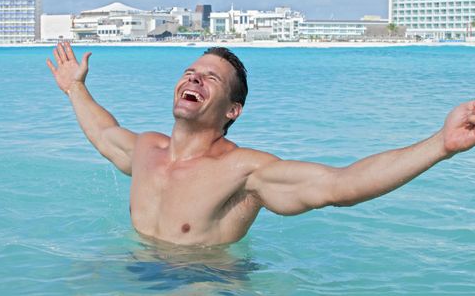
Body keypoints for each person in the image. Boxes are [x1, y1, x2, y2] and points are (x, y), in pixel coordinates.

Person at [46, 42, 475, 246]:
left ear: (233, 110)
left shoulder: (247, 172)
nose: (194, 78)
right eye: (190, 72)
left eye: (210, 77)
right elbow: (104, 134)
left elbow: (340, 186)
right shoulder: (145, 151)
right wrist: (74, 89)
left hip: (208, 285)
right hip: (138, 270)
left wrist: (441, 144)